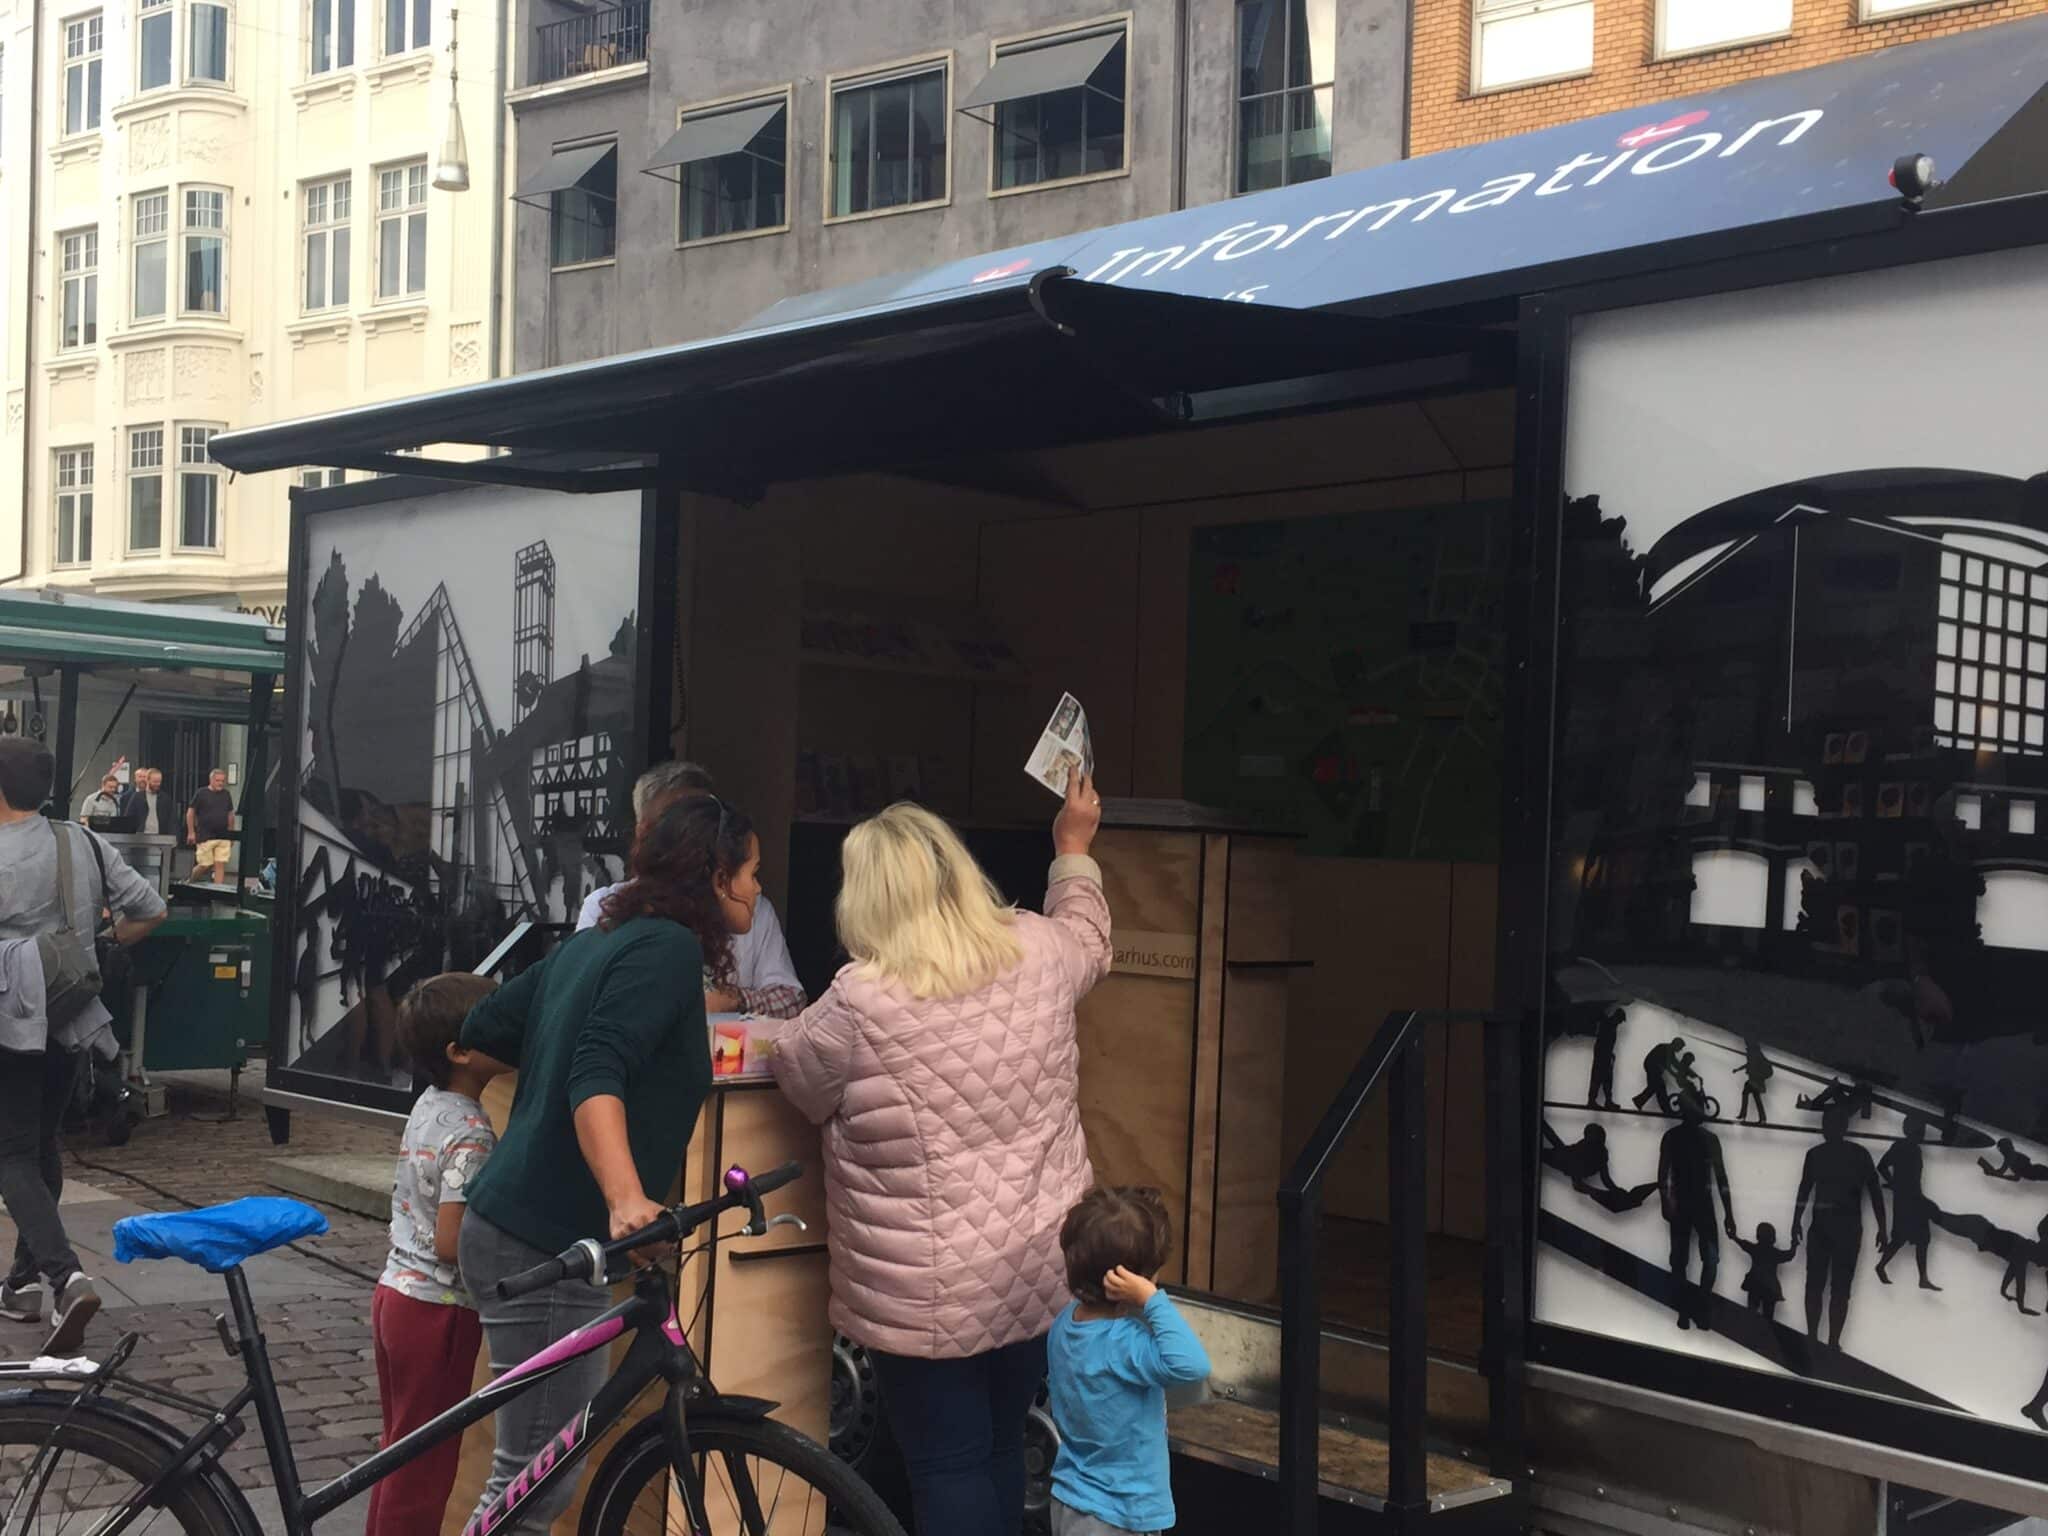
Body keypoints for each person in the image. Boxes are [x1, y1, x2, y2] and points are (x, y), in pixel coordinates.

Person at [771, 770, 1111, 1536]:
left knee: (947, 1464)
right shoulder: (1039, 949)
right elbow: (1091, 939)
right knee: (999, 1443)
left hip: (928, 1293)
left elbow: (796, 1072)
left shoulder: (860, 1000)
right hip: (1038, 1266)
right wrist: (1073, 848)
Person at [456, 794, 741, 1536]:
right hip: (548, 1238)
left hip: (513, 1221)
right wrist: (625, 1198)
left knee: (531, 1478)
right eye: (750, 874)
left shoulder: (596, 942)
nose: (756, 891)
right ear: (716, 875)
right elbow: (597, 1070)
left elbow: (486, 1023)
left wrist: (551, 1054)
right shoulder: (668, 949)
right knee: (531, 1489)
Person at [0, 738, 166, 1353]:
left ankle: (65, 1277)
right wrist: (97, 944)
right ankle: (21, 1285)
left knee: (10, 1154)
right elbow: (151, 910)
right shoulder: (84, 841)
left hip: (8, 1018)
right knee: (42, 1145)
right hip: (70, 1009)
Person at [368, 973, 508, 1536]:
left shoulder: (430, 1105)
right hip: (440, 1311)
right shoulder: (472, 1132)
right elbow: (454, 1242)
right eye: (498, 1022)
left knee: (397, 1451)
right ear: (460, 1053)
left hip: (396, 1295)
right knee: (424, 1469)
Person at [577, 761, 807, 1019]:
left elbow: (791, 997)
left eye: (706, 817)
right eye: (684, 822)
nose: (757, 887)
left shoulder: (754, 910)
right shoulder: (620, 918)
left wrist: (731, 999)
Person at [1045, 1187, 1211, 1536]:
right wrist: (1152, 1300)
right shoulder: (1123, 1345)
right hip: (1120, 1513)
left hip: (1071, 1499)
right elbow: (1193, 1364)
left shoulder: (1065, 1324)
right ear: (1131, 1282)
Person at [1792, 1104, 1888, 1349]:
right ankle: (1823, 1339)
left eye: (1828, 1124)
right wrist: (1795, 1221)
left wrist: (1883, 1227)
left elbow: (1875, 1193)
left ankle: (1825, 1339)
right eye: (1825, 1124)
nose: (1825, 1128)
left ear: (1840, 1127)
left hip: (1837, 1229)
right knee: (1831, 1288)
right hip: (1836, 1229)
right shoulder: (1852, 1154)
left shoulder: (1827, 1154)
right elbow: (1804, 1190)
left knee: (1827, 1287)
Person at [1658, 1095, 1736, 1331]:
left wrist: (1729, 1213)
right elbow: (1663, 1174)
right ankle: (1685, 1309)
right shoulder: (1672, 1137)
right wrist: (1666, 1202)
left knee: (1709, 1260)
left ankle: (1700, 1307)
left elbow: (1721, 1178)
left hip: (1702, 1206)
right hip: (1683, 1205)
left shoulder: (1709, 1139)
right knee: (1680, 1260)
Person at [1876, 1114, 1942, 1292]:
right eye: (1921, 1130)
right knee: (1902, 1237)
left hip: (1914, 1197)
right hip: (1906, 1199)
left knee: (1921, 1238)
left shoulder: (1914, 1149)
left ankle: (1922, 1278)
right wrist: (1894, 1184)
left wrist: (1895, 1184)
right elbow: (1882, 1166)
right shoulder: (1901, 1146)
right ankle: (1882, 1266)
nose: (1923, 1134)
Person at [1541, 1123, 1656, 1213]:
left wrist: (1615, 1190)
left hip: (1566, 1158)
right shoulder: (1590, 1152)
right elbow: (1582, 1183)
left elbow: (1605, 1180)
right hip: (1566, 1160)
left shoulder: (1599, 1153)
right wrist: (1605, 1192)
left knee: (1551, 1147)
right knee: (1548, 1150)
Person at [1736, 1222, 1799, 1321]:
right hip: (1770, 1287)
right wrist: (1794, 1244)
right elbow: (1789, 1255)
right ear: (1773, 1238)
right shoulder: (1774, 1253)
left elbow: (1744, 1244)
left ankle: (1750, 1325)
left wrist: (1734, 1237)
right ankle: (1765, 1328)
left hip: (1755, 1283)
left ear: (1758, 1236)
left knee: (1751, 1311)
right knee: (1768, 1316)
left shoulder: (1756, 1249)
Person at [186, 767, 236, 885]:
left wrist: (231, 833)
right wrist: (191, 832)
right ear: (211, 780)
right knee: (205, 864)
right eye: (218, 780)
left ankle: (218, 890)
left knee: (220, 863)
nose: (220, 783)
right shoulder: (201, 793)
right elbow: (191, 812)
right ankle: (190, 881)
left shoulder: (226, 794)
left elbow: (230, 814)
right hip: (205, 834)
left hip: (223, 834)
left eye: (222, 781)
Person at [1632, 1036, 1686, 1115]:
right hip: (1652, 1067)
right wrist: (1676, 1074)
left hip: (1652, 1067)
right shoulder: (1666, 1049)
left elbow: (1674, 1063)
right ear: (1676, 1044)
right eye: (1680, 1048)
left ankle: (1639, 1101)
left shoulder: (1668, 1049)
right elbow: (1669, 1065)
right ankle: (1666, 1109)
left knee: (1654, 1087)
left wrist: (1683, 1070)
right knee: (1659, 1086)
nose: (1680, 1050)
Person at [1586, 1006, 1623, 1111]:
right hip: (1602, 1057)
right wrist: (1606, 1055)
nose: (1620, 1023)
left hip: (1604, 1056)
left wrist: (1610, 1054)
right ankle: (1594, 1101)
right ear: (1617, 1017)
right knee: (1598, 1078)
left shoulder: (1610, 1024)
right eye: (1620, 1020)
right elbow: (1602, 1043)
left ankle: (1605, 1101)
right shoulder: (1608, 1024)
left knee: (1605, 1079)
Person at [118, 767, 170, 836]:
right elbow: (128, 819)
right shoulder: (136, 797)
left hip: (160, 836)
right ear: (148, 780)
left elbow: (171, 819)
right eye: (155, 782)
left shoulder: (165, 798)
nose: (157, 784)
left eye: (159, 782)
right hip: (140, 835)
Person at [1737, 1039, 1773, 1126]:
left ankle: (1744, 1115)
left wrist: (1740, 1069)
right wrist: (1738, 1069)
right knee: (1756, 1098)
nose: (1746, 1043)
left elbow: (1750, 1064)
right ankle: (1762, 1118)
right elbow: (1749, 1064)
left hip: (1755, 1080)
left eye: (1746, 1042)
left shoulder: (1753, 1052)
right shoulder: (1755, 1052)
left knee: (1747, 1093)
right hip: (1755, 1080)